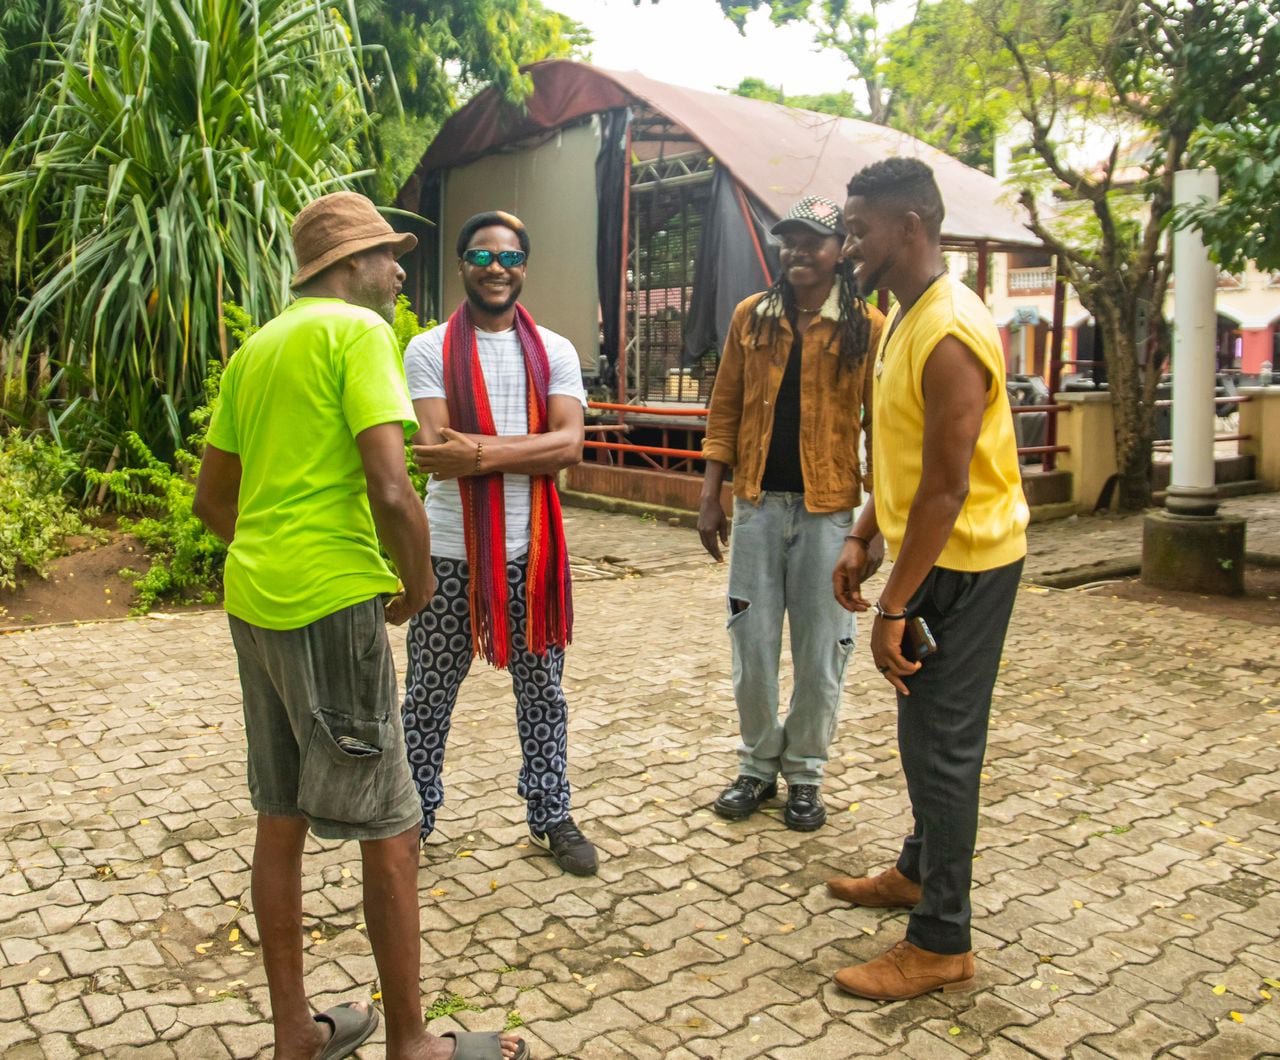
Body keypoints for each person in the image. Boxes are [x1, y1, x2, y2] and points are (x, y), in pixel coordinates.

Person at [194, 191, 527, 1060]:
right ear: (346, 267)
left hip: (255, 604)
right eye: (386, 256)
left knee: (280, 813)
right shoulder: (356, 334)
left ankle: (294, 1033)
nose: (398, 270)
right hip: (334, 605)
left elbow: (211, 500)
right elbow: (392, 486)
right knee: (391, 822)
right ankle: (412, 1044)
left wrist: (270, 551)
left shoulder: (256, 351)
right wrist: (415, 586)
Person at [828, 158, 1029, 1001]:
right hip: (927, 553)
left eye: (858, 230)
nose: (847, 247)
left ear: (909, 226)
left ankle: (943, 939)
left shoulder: (949, 329)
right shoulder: (901, 316)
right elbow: (905, 457)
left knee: (944, 747)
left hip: (965, 564)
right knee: (925, 731)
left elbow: (948, 487)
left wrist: (894, 606)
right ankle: (917, 870)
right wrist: (865, 532)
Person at [400, 210, 596, 877]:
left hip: (532, 553)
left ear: (524, 268)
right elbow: (434, 452)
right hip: (450, 553)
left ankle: (551, 814)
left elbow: (570, 447)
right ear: (462, 266)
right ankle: (410, 819)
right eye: (482, 258)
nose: (496, 270)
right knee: (428, 693)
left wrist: (480, 452)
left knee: (544, 692)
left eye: (509, 258)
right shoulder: (428, 349)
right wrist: (526, 452)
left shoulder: (557, 351)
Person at [699, 195, 885, 832]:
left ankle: (804, 772)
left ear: (841, 251)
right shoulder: (753, 317)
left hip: (830, 513)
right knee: (751, 645)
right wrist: (710, 495)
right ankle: (756, 766)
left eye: (813, 242)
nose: (798, 253)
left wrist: (874, 523)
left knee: (821, 649)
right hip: (755, 508)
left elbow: (882, 431)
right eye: (789, 242)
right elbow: (724, 407)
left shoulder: (868, 325)